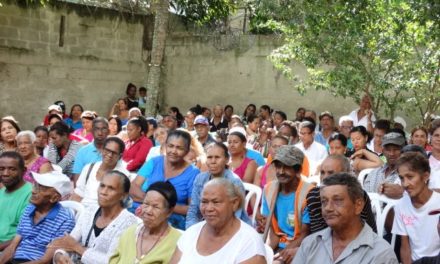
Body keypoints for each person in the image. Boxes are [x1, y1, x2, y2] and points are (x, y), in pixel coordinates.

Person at [293, 173, 398, 264]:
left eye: (337, 200)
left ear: (358, 205)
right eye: (324, 201)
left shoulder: (380, 253)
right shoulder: (310, 244)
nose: (328, 208)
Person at [49, 171, 139, 264]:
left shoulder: (129, 223)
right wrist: (59, 255)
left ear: (123, 195)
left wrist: (77, 248)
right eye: (102, 186)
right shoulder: (90, 211)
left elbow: (112, 260)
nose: (103, 192)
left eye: (111, 188)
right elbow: (70, 240)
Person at [170, 178, 267, 264]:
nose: (208, 208)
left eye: (216, 202)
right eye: (204, 202)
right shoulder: (191, 233)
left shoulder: (249, 244)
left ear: (234, 204)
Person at [130, 130, 200, 230]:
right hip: (142, 210)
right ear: (165, 145)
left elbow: (192, 208)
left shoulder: (193, 173)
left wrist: (162, 207)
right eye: (170, 146)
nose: (173, 151)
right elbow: (133, 187)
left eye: (179, 148)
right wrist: (151, 203)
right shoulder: (154, 162)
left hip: (172, 218)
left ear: (187, 150)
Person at [0, 171, 75, 263]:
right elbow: (13, 245)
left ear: (54, 198)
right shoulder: (30, 208)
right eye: (35, 185)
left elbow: (45, 260)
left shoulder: (65, 219)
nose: (33, 191)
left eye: (41, 188)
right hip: (15, 257)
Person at [261, 145, 314, 263]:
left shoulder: (309, 194)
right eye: (278, 166)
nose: (281, 172)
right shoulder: (269, 190)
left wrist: (280, 258)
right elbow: (273, 232)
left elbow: (304, 235)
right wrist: (266, 254)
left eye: (287, 167)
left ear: (298, 170)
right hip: (278, 244)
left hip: (299, 247)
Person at [109, 181, 181, 264]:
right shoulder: (130, 233)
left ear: (169, 212)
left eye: (156, 207)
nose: (148, 211)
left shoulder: (178, 242)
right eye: (146, 204)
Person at [306, 155, 376, 234]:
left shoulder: (358, 195)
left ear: (346, 174)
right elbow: (317, 235)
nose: (324, 177)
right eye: (322, 173)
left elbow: (368, 230)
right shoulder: (313, 196)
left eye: (331, 172)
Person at [186, 142, 250, 228]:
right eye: (209, 157)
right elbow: (193, 210)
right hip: (207, 226)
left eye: (217, 157)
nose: (213, 161)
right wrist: (192, 231)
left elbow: (234, 217)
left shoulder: (234, 182)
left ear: (227, 159)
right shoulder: (200, 179)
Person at [392, 152, 440, 263]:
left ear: (426, 176)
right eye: (402, 178)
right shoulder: (401, 205)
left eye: (410, 177)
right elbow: (405, 247)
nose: (405, 184)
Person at [72, 137, 129, 208]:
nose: (110, 155)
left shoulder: (123, 175)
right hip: (82, 210)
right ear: (102, 150)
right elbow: (78, 194)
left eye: (114, 153)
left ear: (120, 156)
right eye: (107, 150)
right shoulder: (89, 168)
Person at [0, 152, 32, 251]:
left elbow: (26, 234)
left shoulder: (32, 195)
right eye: (1, 169)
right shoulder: (2, 191)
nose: (5, 173)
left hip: (13, 248)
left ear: (24, 171)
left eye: (12, 169)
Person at [363, 132, 405, 199]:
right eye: (388, 149)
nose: (392, 153)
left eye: (396, 149)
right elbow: (364, 199)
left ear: (403, 150)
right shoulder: (373, 174)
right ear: (383, 151)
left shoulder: (407, 177)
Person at [72, 117, 110, 182]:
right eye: (97, 129)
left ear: (108, 131)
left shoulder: (113, 151)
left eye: (103, 129)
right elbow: (77, 178)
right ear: (92, 131)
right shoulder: (82, 151)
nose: (100, 133)